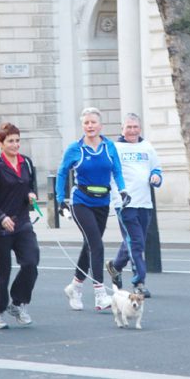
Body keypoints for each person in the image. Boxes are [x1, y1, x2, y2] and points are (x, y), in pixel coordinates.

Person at [56, 107, 129, 311]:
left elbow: (117, 171)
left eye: (93, 122)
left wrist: (122, 191)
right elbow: (62, 173)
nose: (90, 126)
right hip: (81, 201)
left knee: (89, 244)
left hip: (102, 202)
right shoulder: (75, 149)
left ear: (100, 125)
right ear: (83, 126)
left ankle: (75, 287)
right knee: (96, 245)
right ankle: (99, 294)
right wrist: (61, 201)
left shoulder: (109, 147)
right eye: (86, 123)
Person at [0, 122, 39, 330]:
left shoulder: (27, 164)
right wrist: (1, 216)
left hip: (22, 223)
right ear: (0, 143)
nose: (15, 145)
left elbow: (30, 187)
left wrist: (32, 196)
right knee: (2, 273)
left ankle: (18, 303)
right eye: (10, 141)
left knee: (31, 263)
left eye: (17, 140)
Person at [105, 113, 162, 298]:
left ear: (140, 128)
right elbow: (109, 172)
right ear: (122, 129)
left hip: (145, 202)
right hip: (125, 203)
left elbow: (156, 168)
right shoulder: (114, 147)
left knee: (134, 241)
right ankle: (139, 282)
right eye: (128, 127)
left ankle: (116, 266)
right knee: (136, 242)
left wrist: (156, 177)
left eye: (135, 127)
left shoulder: (147, 147)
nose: (132, 130)